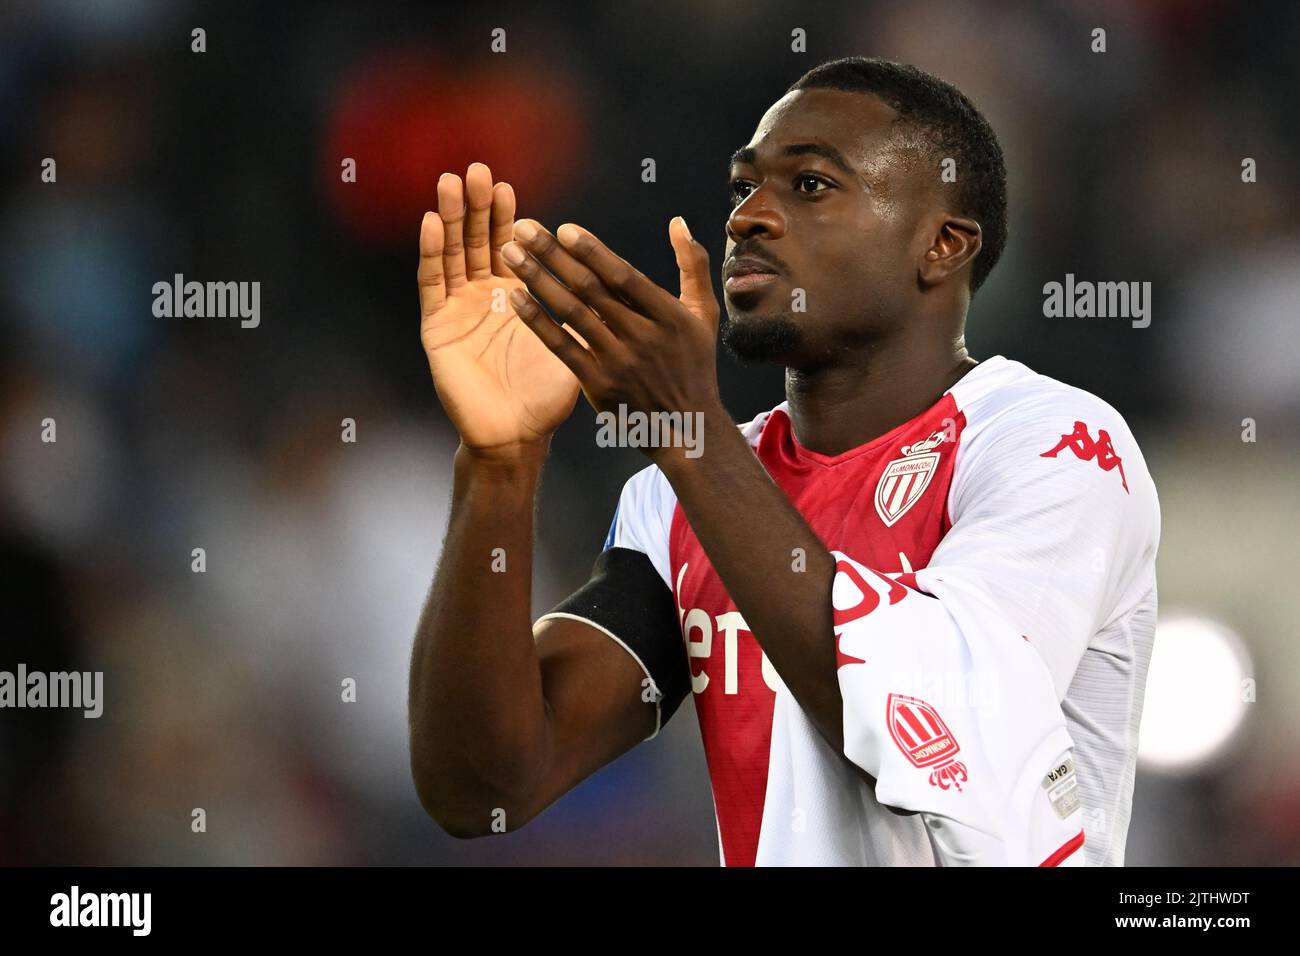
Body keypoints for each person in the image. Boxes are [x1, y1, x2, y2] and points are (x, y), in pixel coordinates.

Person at [407, 57, 1160, 866]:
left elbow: (930, 730)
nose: (747, 218)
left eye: (809, 186)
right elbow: (483, 789)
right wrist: (499, 461)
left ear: (943, 244)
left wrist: (689, 430)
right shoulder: (676, 496)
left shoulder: (1055, 445)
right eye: (741, 188)